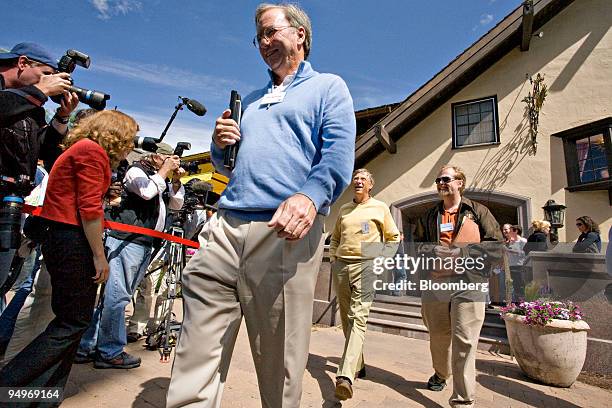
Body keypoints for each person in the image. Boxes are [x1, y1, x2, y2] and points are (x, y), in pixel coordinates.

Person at [166, 3, 355, 407]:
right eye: (259, 37)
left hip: (282, 231)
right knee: (195, 347)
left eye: (271, 31)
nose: (264, 42)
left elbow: (338, 156)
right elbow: (227, 166)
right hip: (224, 227)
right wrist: (219, 146)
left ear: (300, 34)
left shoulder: (328, 87)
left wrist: (311, 195)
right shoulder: (249, 100)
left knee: (279, 359)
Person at [0, 110, 137, 396]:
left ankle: (42, 394)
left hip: (61, 238)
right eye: (129, 137)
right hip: (71, 240)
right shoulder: (92, 152)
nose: (131, 144)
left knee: (69, 322)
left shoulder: (81, 148)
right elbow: (89, 209)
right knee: (72, 322)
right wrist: (99, 256)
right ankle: (10, 385)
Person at [76, 143, 185, 368]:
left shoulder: (159, 178)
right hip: (126, 240)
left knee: (114, 296)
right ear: (156, 156)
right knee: (118, 296)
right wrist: (165, 171)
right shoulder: (137, 171)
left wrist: (174, 180)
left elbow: (176, 204)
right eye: (166, 158)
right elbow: (146, 193)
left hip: (145, 243)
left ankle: (88, 345)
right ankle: (110, 351)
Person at [418, 165, 502, 408]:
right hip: (436, 282)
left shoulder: (477, 211)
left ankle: (463, 400)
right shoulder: (430, 214)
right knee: (438, 336)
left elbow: (496, 245)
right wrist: (432, 250)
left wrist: (462, 252)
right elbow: (418, 245)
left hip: (469, 283)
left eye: (446, 179)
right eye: (438, 180)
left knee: (465, 340)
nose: (441, 183)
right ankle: (441, 374)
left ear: (460, 182)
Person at [0, 42, 78, 289]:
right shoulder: (25, 96)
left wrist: (62, 118)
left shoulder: (31, 108)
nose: (50, 82)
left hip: (11, 203)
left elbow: (43, 151)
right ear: (22, 63)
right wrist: (38, 91)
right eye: (46, 74)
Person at [329, 168, 399, 400]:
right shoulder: (344, 209)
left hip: (366, 266)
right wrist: (333, 258)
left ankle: (346, 376)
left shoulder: (380, 208)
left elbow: (393, 238)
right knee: (347, 318)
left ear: (371, 185)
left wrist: (380, 259)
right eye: (355, 178)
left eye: (363, 179)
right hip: (342, 267)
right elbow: (335, 237)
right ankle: (358, 362)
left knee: (359, 317)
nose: (358, 181)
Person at [504, 224, 527, 301]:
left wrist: (511, 251)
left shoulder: (523, 241)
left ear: (516, 231)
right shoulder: (511, 242)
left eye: (510, 231)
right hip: (511, 266)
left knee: (521, 285)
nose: (508, 233)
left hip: (520, 266)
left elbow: (525, 253)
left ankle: (522, 303)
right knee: (514, 286)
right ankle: (517, 303)